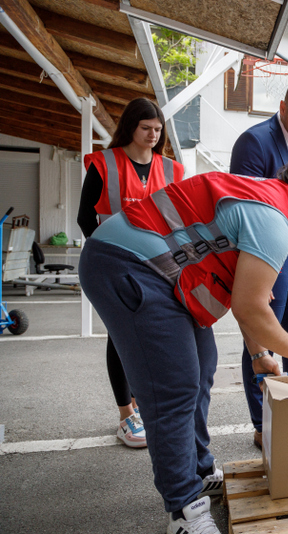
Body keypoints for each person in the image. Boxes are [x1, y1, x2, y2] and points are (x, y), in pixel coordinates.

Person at [79, 162, 288, 534]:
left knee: (203, 365)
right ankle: (184, 511)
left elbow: (248, 295)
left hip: (159, 270)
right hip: (125, 262)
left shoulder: (269, 203)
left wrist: (259, 354)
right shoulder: (274, 220)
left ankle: (199, 471)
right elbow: (250, 308)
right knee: (174, 387)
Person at [77, 97, 184, 449]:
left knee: (146, 336)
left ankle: (140, 406)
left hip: (157, 268)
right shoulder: (104, 163)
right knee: (120, 335)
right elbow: (85, 217)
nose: (153, 135)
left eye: (158, 129)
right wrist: (105, 254)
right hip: (115, 266)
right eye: (145, 128)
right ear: (130, 127)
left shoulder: (172, 170)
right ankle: (126, 415)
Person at [229, 79, 288, 449]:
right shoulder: (253, 142)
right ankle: (263, 424)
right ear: (283, 108)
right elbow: (246, 208)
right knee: (263, 334)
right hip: (268, 252)